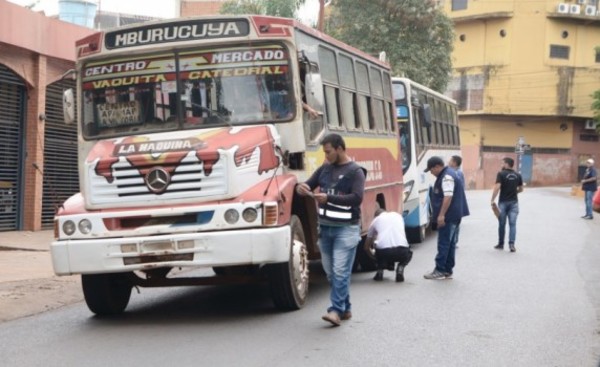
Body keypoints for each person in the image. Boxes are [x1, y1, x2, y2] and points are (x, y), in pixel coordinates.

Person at [296, 133, 366, 326]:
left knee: (340, 271)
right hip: (325, 229)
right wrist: (301, 188)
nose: (325, 156)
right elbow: (308, 184)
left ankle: (335, 310)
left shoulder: (355, 171)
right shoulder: (324, 169)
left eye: (328, 152)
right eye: (324, 152)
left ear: (340, 149)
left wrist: (329, 198)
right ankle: (346, 307)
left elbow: (357, 198)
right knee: (331, 274)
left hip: (347, 230)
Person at [423, 156, 469, 280]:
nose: (431, 173)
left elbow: (447, 196)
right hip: (454, 215)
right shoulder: (450, 173)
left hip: (449, 216)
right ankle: (447, 270)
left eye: (432, 170)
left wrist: (441, 215)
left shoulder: (446, 177)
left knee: (444, 243)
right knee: (450, 243)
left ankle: (440, 270)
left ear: (437, 166)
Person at [364, 208, 412, 282]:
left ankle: (380, 271)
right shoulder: (398, 216)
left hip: (384, 253)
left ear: (376, 216)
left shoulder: (375, 220)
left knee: (378, 247)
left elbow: (366, 247)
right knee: (409, 253)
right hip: (402, 251)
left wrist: (375, 258)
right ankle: (400, 268)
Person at [491, 157, 524, 252]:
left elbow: (497, 187)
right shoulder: (518, 175)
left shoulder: (501, 174)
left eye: (502, 163)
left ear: (506, 164)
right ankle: (512, 245)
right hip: (514, 203)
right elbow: (521, 189)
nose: (501, 165)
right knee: (512, 224)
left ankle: (501, 244)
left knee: (502, 224)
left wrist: (492, 199)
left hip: (503, 203)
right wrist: (514, 192)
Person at [448, 155, 466, 247]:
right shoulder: (459, 173)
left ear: (454, 162)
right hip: (458, 202)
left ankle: (452, 242)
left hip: (454, 202)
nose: (448, 161)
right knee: (456, 223)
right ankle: (454, 241)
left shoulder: (455, 173)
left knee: (453, 224)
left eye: (450, 160)